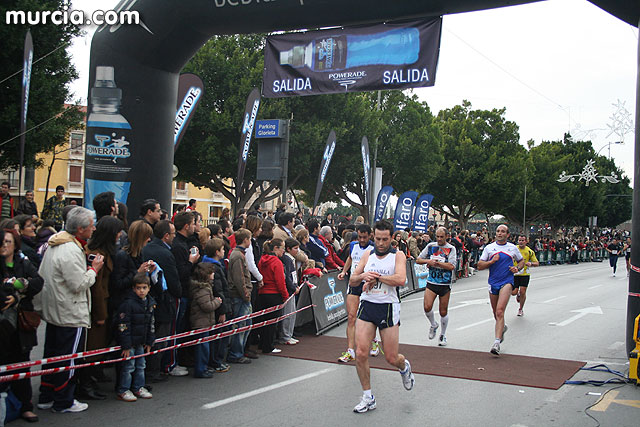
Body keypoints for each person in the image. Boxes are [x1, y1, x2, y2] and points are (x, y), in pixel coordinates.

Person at [37, 207, 104, 413]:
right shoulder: (71, 250)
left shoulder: (57, 243)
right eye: (91, 224)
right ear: (81, 229)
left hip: (55, 308)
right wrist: (94, 269)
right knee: (68, 358)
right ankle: (64, 400)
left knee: (52, 356)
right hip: (70, 312)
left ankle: (46, 395)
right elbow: (79, 284)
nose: (94, 228)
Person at [349, 220, 414, 413]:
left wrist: (377, 278)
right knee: (361, 353)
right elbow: (353, 278)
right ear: (373, 237)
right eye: (377, 239)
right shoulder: (368, 254)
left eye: (385, 239)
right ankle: (368, 397)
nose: (381, 243)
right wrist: (363, 276)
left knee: (391, 357)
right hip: (368, 305)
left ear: (392, 238)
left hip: (388, 306)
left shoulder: (398, 256)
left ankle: (404, 366)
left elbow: (400, 279)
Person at [78, 216, 124, 399]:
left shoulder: (105, 251)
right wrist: (100, 314)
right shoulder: (96, 254)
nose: (120, 235)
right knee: (92, 348)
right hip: (97, 306)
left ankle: (92, 379)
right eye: (117, 232)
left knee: (98, 348)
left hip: (104, 303)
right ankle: (85, 384)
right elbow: (97, 287)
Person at [1, 228, 43, 422]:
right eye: (2, 242)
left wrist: (20, 288)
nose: (4, 246)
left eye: (8, 242)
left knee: (22, 365)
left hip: (21, 323)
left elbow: (38, 282)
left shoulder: (22, 261)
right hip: (3, 325)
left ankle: (25, 405)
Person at [141, 220, 182, 381]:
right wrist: (177, 293)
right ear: (166, 236)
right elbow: (173, 279)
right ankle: (153, 371)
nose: (174, 237)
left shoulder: (147, 249)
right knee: (161, 337)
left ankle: (148, 370)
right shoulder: (165, 253)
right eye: (172, 234)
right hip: (163, 300)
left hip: (150, 298)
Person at [477, 224, 524, 356]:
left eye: (503, 231)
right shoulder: (489, 248)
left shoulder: (512, 248)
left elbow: (521, 261)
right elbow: (480, 265)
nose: (500, 233)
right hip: (493, 282)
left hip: (507, 282)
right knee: (495, 313)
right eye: (498, 231)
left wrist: (517, 268)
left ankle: (496, 343)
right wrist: (491, 262)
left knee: (499, 311)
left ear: (507, 235)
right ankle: (502, 328)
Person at [337, 224, 376, 362]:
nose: (362, 240)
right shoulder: (353, 245)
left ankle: (374, 340)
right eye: (360, 237)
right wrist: (344, 271)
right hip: (354, 282)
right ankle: (350, 351)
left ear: (370, 236)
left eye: (365, 237)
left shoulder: (374, 247)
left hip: (368, 284)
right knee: (352, 316)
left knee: (369, 317)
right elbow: (350, 258)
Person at [114, 272, 155, 402]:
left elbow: (151, 324)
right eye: (138, 288)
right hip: (130, 342)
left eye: (144, 288)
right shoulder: (128, 304)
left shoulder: (149, 303)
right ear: (133, 289)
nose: (141, 291)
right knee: (128, 366)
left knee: (141, 365)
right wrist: (126, 345)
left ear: (149, 288)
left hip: (141, 341)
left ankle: (139, 386)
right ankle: (123, 389)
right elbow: (123, 326)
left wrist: (149, 340)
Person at [416, 226, 457, 347]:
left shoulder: (451, 249)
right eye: (437, 236)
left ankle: (443, 335)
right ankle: (433, 324)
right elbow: (418, 260)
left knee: (443, 311)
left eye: (441, 237)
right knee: (427, 307)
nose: (439, 239)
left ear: (447, 237)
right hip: (432, 282)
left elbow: (451, 266)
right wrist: (428, 261)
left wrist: (439, 263)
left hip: (444, 283)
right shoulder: (430, 246)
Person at [201, 238, 232, 373]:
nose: (224, 252)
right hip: (218, 306)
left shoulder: (206, 263)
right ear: (217, 252)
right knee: (219, 336)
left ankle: (214, 360)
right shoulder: (215, 268)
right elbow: (219, 290)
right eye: (222, 249)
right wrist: (223, 310)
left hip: (215, 305)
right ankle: (216, 361)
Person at [189, 263, 222, 378]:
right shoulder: (202, 290)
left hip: (204, 322)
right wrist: (217, 302)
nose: (214, 274)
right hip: (201, 323)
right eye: (212, 272)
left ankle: (203, 367)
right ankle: (200, 369)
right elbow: (207, 306)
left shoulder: (205, 287)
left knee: (204, 347)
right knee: (202, 348)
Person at [257, 238, 289, 354]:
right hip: (274, 294)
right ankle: (268, 346)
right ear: (276, 248)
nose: (283, 252)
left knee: (264, 321)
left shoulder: (262, 260)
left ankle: (262, 343)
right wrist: (285, 295)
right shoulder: (277, 262)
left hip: (262, 293)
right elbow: (280, 282)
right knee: (272, 323)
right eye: (282, 249)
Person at [227, 229, 253, 364]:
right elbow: (239, 279)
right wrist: (246, 294)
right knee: (240, 325)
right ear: (245, 240)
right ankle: (236, 353)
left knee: (247, 324)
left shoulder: (239, 254)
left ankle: (240, 351)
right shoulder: (237, 256)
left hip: (242, 296)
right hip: (239, 296)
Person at [277, 238, 301, 345]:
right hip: (289, 290)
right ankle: (285, 336)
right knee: (287, 314)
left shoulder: (291, 259)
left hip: (293, 288)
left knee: (292, 314)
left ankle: (289, 334)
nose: (298, 251)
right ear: (288, 249)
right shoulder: (286, 259)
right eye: (295, 248)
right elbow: (287, 277)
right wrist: (293, 287)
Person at [511, 235, 539, 317]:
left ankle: (520, 309)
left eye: (523, 240)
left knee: (523, 292)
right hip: (515, 274)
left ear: (526, 241)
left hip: (525, 274)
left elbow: (537, 263)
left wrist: (531, 263)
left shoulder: (529, 251)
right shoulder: (514, 249)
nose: (521, 242)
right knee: (513, 292)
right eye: (519, 240)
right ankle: (517, 294)